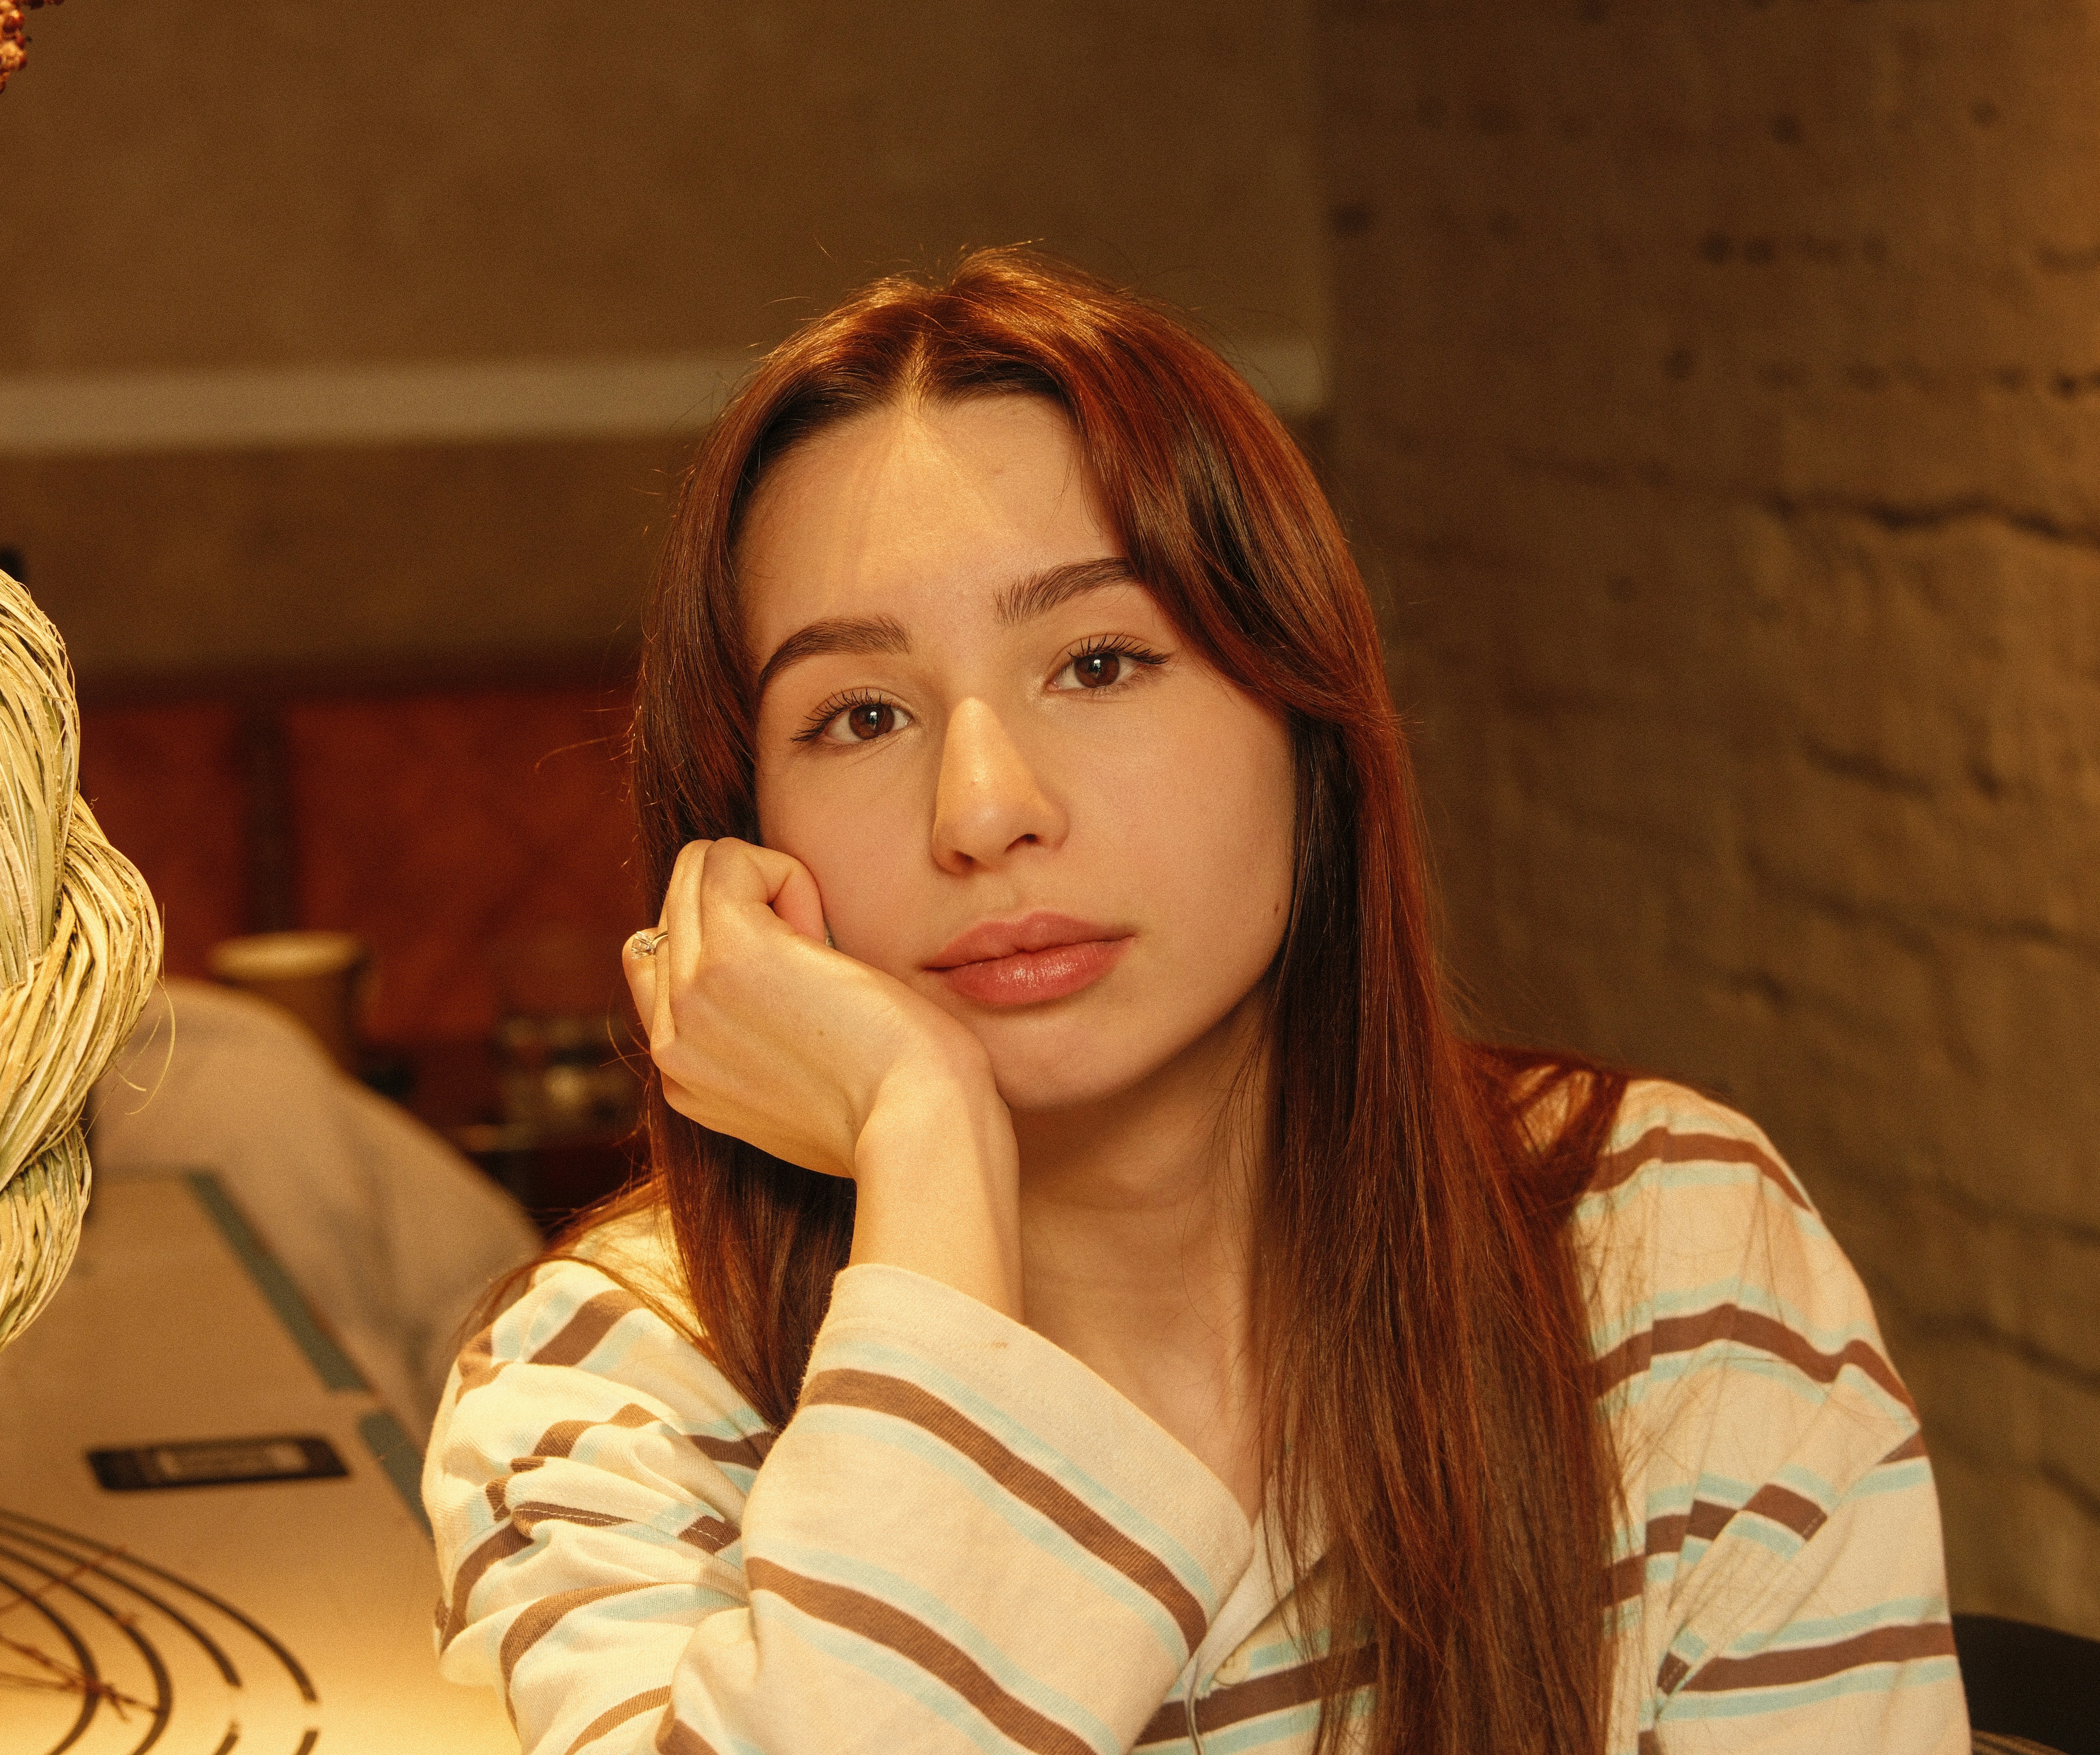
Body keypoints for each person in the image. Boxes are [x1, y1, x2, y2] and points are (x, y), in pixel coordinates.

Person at [421, 250, 1966, 1755]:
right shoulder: (605, 1391)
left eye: (1098, 662)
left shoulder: (1660, 1245)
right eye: (861, 713)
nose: (984, 808)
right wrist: (927, 1135)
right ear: (741, 829)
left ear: (1304, 716)